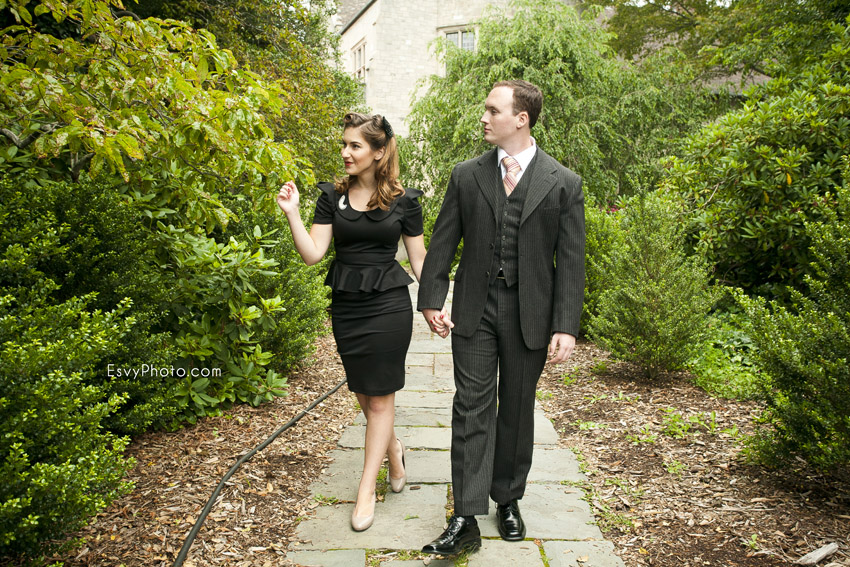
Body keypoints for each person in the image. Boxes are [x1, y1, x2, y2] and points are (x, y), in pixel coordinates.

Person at [418, 80, 586, 555]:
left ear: (521, 119)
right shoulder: (466, 175)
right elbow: (445, 239)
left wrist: (565, 325)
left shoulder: (563, 182)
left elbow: (571, 260)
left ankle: (508, 499)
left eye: (493, 110)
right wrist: (432, 297)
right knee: (470, 405)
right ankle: (465, 515)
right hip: (475, 307)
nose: (484, 117)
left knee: (516, 407)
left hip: (529, 312)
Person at [276, 112, 431, 532]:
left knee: (380, 398)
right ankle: (393, 450)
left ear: (379, 153)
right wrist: (292, 212)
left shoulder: (405, 201)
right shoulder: (332, 197)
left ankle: (366, 490)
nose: (345, 152)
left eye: (355, 146)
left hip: (388, 307)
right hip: (346, 307)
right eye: (344, 145)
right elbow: (313, 253)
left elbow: (419, 260)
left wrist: (436, 304)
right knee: (363, 392)